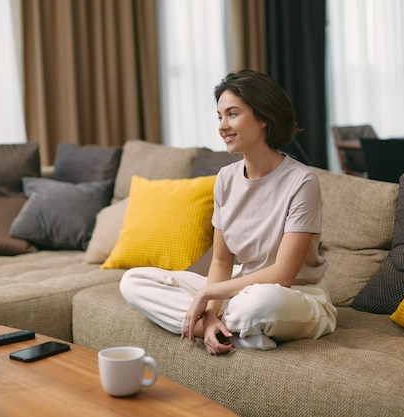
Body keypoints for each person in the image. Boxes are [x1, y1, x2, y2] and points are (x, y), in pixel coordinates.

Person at [120, 70, 337, 355]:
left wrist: (208, 294)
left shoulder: (302, 182)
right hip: (237, 290)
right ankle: (229, 333)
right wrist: (210, 314)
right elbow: (222, 261)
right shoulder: (225, 178)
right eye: (219, 116)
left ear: (263, 118)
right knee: (133, 282)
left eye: (232, 114)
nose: (222, 126)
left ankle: (233, 325)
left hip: (293, 296)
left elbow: (283, 274)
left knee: (259, 302)